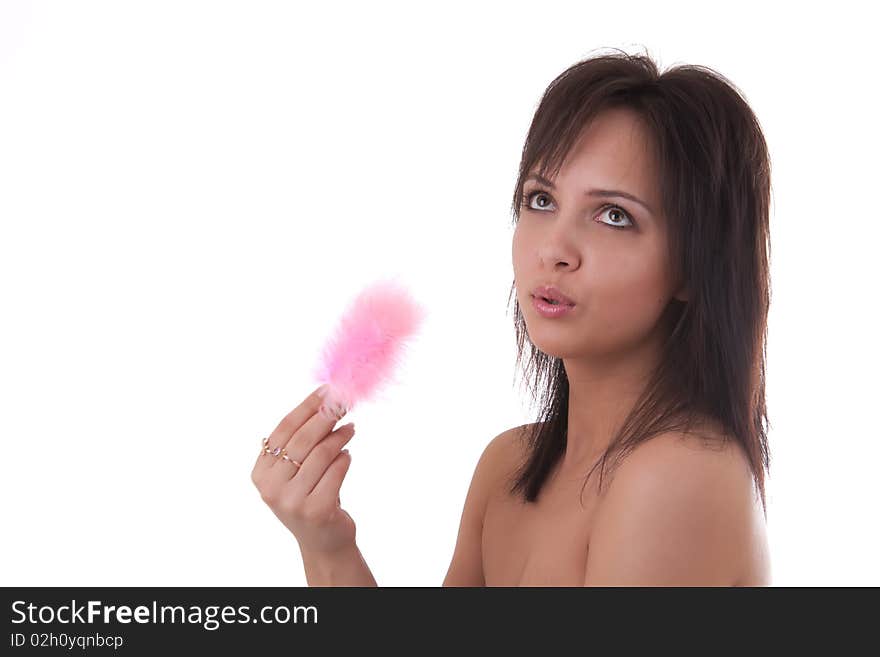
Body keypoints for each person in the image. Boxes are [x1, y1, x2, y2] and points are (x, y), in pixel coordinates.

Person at [251, 47, 773, 586]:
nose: (554, 250)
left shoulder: (680, 476)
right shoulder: (508, 470)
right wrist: (326, 544)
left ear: (694, 267)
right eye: (541, 200)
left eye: (614, 216)